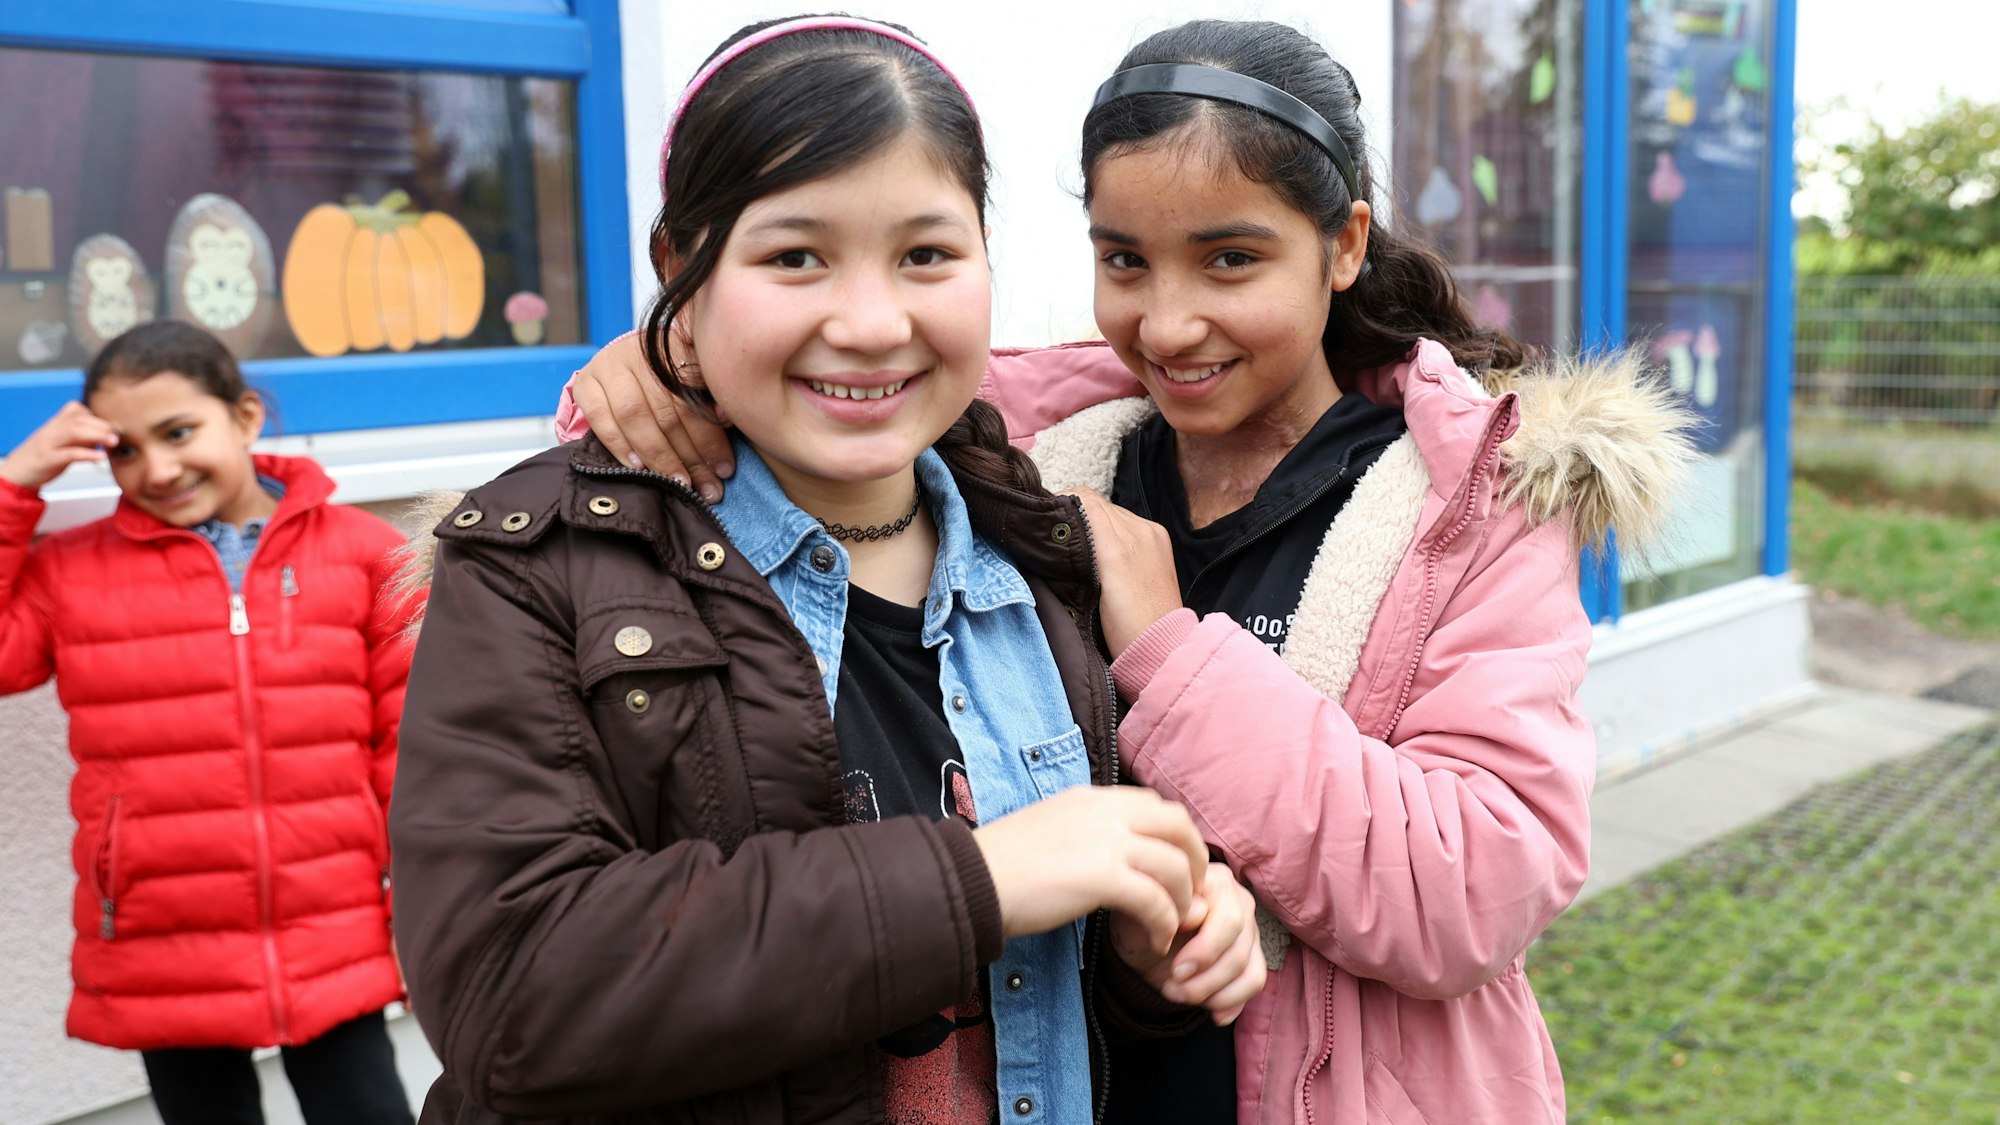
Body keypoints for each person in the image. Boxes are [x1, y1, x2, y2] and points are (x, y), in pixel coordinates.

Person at [556, 17, 1697, 1125]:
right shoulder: (1038, 460)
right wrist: (663, 367)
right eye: (1123, 261)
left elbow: (1469, 893)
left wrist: (1167, 654)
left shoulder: (1467, 506)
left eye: (1230, 260)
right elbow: (807, 390)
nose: (1167, 323)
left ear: (1343, 245)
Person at [388, 16, 1265, 1125]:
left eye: (926, 255)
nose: (869, 321)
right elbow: (509, 998)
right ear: (682, 270)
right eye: (794, 256)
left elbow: (1051, 999)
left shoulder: (1039, 556)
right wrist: (979, 879)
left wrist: (1157, 952)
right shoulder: (546, 567)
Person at [0, 320, 418, 1125]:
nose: (156, 468)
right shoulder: (70, 573)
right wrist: (16, 481)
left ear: (247, 416)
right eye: (124, 448)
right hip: (165, 936)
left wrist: (416, 897)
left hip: (331, 923)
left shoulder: (364, 553)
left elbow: (408, 745)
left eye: (179, 431)